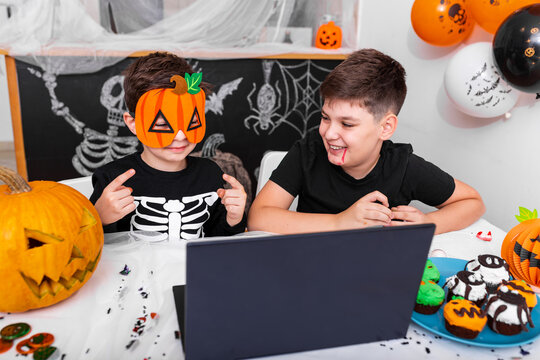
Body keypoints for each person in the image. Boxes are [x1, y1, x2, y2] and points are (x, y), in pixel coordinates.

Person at [248, 48, 485, 235]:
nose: (329, 133)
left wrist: (428, 221)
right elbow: (259, 218)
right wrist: (340, 222)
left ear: (386, 127)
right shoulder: (310, 151)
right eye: (325, 117)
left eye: (347, 124)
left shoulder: (402, 166)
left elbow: (473, 202)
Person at [89, 52, 247, 240]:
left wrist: (234, 219)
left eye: (191, 121)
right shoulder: (112, 180)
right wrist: (99, 218)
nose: (180, 136)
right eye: (163, 125)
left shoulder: (210, 174)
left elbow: (219, 242)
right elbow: (89, 249)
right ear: (133, 123)